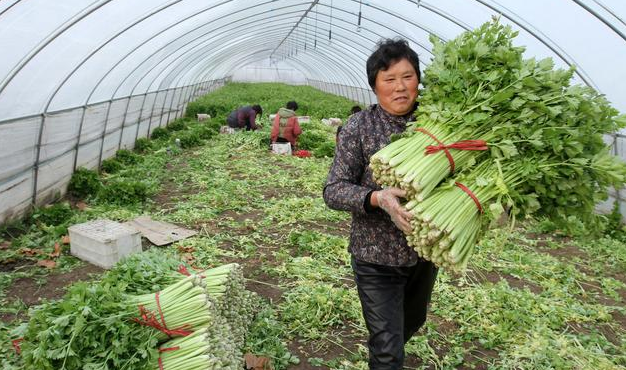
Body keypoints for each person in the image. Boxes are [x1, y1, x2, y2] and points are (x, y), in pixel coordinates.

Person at [323, 38, 438, 369]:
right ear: (375, 85)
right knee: (388, 350)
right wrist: (377, 197)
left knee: (409, 325)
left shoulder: (435, 124)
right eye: (389, 79)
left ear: (418, 79)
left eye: (408, 76)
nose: (400, 87)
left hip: (424, 251)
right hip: (375, 257)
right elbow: (333, 189)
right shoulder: (359, 127)